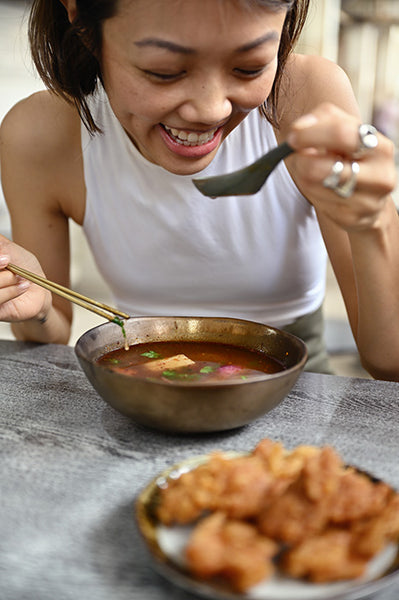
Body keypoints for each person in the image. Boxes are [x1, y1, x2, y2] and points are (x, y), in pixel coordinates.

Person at [0, 0, 398, 380]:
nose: (211, 110)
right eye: (165, 71)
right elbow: (48, 335)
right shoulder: (41, 136)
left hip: (297, 389)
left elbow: (390, 363)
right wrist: (30, 300)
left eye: (248, 67)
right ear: (82, 19)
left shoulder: (303, 98)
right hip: (142, 387)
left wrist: (375, 220)